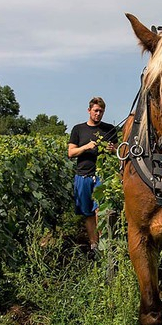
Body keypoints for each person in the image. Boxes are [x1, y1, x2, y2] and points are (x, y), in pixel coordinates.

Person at [68, 96, 117, 252]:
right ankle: (93, 244)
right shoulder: (78, 129)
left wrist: (113, 150)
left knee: (101, 210)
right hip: (83, 175)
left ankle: (104, 245)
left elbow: (119, 152)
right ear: (89, 110)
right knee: (87, 212)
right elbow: (71, 152)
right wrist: (86, 147)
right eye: (96, 111)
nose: (98, 114)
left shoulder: (109, 129)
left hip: (103, 175)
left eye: (101, 111)